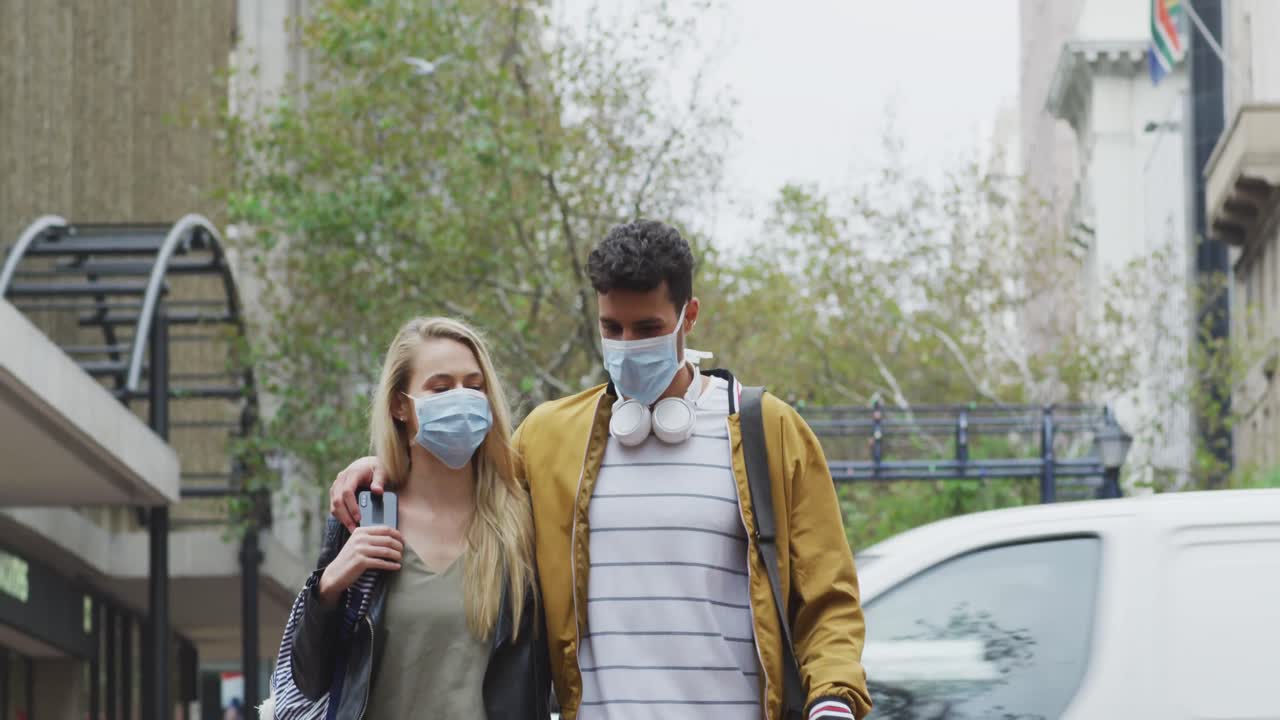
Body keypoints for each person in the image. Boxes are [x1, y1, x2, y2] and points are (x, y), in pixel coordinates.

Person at [330, 221, 871, 720]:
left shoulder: (768, 432)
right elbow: (466, 484)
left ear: (689, 317)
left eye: (647, 327)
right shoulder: (549, 438)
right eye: (612, 327)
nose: (627, 346)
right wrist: (384, 465)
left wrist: (833, 700)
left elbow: (828, 596)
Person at [275, 317, 551, 719]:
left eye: (474, 386)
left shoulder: (522, 521)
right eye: (441, 388)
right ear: (399, 405)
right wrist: (329, 587)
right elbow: (310, 680)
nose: (462, 399)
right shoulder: (364, 514)